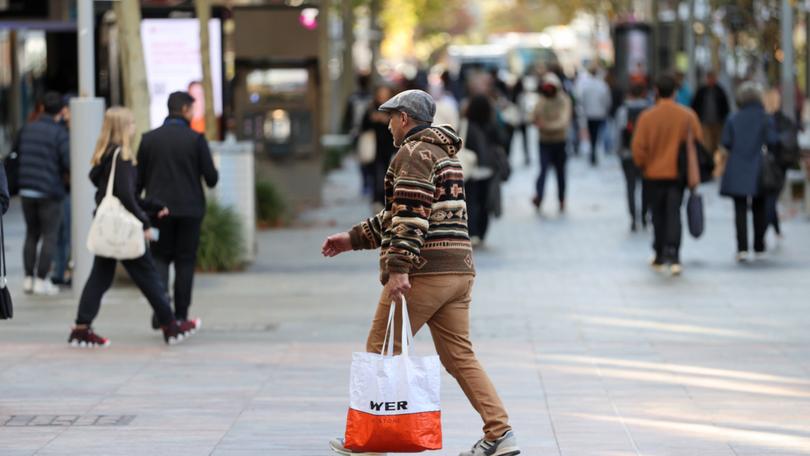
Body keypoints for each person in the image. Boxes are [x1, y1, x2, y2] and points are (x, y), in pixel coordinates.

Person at [322, 90, 520, 456]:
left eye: (392, 117)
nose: (388, 126)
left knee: (381, 349)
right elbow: (400, 214)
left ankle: (368, 440)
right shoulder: (444, 154)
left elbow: (410, 218)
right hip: (459, 271)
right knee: (460, 356)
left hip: (425, 271)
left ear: (405, 119)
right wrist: (352, 239)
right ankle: (499, 432)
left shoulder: (412, 154)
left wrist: (399, 269)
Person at [69, 107, 201, 347]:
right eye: (130, 123)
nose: (134, 127)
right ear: (121, 127)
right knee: (148, 276)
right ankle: (171, 325)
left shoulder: (107, 155)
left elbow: (123, 195)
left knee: (100, 277)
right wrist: (145, 223)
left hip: (110, 226)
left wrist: (152, 205)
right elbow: (128, 198)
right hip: (123, 228)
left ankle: (81, 328)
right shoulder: (122, 157)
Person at [138, 91, 219, 326]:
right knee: (185, 261)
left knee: (159, 258)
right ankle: (181, 314)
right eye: (192, 109)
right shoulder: (196, 140)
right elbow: (211, 179)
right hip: (190, 211)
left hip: (157, 213)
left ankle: (161, 310)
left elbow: (138, 181)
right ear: (185, 109)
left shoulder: (149, 139)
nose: (194, 114)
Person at [632, 73, 704, 275]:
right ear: (675, 91)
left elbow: (638, 148)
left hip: (653, 174)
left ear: (656, 91)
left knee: (657, 214)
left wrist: (644, 165)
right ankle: (674, 253)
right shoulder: (687, 116)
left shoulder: (647, 117)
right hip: (678, 174)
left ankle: (659, 252)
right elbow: (698, 142)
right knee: (674, 212)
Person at [15, 91, 69, 296]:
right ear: (61, 111)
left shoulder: (27, 128)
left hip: (27, 189)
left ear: (42, 108)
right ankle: (41, 279)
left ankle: (28, 278)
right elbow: (68, 161)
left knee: (31, 233)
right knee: (50, 235)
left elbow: (17, 153)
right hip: (49, 191)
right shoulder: (59, 133)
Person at [719, 82, 778, 262]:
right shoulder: (765, 118)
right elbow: (772, 140)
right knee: (759, 206)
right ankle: (759, 245)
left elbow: (726, 142)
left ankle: (742, 248)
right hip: (758, 167)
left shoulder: (733, 118)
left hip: (737, 166)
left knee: (740, 209)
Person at [464, 94, 507, 245]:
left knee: (470, 200)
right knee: (485, 202)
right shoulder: (491, 124)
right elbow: (503, 140)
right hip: (488, 168)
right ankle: (481, 233)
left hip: (470, 168)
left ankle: (472, 231)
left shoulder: (466, 125)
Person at [762, 88, 799, 238]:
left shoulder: (765, 120)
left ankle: (761, 234)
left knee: (769, 199)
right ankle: (775, 230)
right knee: (772, 198)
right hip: (780, 165)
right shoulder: (785, 120)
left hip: (769, 165)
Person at [532, 73, 572, 214]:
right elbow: (533, 116)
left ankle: (561, 199)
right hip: (544, 142)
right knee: (543, 170)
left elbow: (563, 122)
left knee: (560, 173)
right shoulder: (542, 100)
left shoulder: (563, 100)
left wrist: (545, 125)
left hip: (559, 142)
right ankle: (539, 196)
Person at [615, 83, 652, 231]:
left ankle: (632, 217)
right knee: (645, 186)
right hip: (645, 155)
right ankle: (644, 215)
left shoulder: (623, 111)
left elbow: (618, 133)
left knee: (630, 186)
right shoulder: (649, 110)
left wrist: (619, 152)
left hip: (628, 154)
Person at [360, 86, 398, 208]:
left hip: (389, 146)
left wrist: (387, 121)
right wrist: (373, 119)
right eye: (381, 94)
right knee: (377, 173)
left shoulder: (393, 109)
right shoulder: (371, 107)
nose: (382, 97)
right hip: (374, 146)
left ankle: (384, 198)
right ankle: (378, 198)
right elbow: (363, 126)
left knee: (388, 173)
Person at [343, 74, 374, 195]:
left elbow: (347, 117)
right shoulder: (370, 98)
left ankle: (366, 183)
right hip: (366, 132)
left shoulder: (353, 98)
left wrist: (348, 129)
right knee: (369, 157)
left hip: (357, 132)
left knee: (362, 158)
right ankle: (368, 182)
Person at [576, 65, 612, 166]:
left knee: (592, 134)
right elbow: (607, 100)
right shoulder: (602, 85)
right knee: (597, 134)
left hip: (590, 113)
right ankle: (594, 151)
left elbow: (582, 99)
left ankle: (593, 151)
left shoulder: (586, 86)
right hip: (599, 113)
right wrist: (605, 109)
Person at [691, 71, 730, 155]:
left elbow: (726, 107)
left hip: (718, 123)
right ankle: (708, 159)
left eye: (713, 78)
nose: (711, 80)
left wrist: (723, 119)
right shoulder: (701, 91)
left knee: (717, 143)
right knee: (707, 143)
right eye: (710, 78)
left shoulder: (720, 91)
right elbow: (694, 105)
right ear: (707, 79)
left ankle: (716, 160)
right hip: (704, 122)